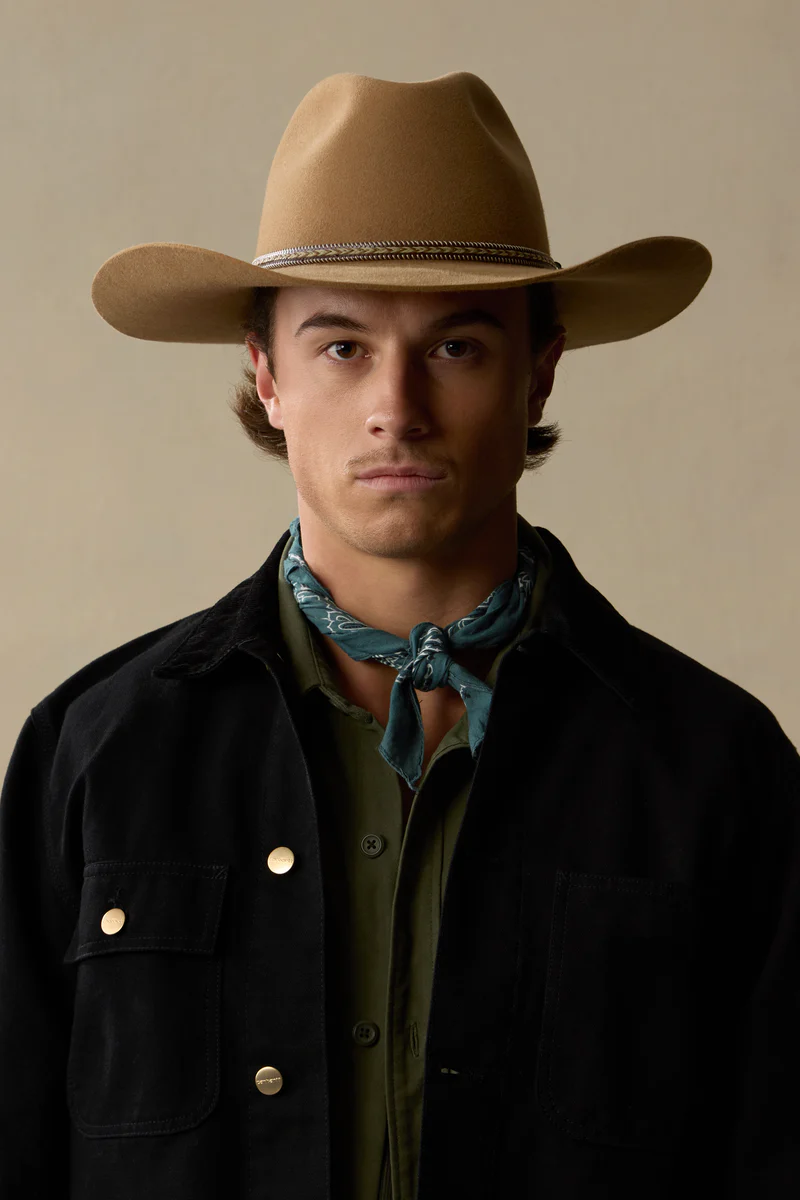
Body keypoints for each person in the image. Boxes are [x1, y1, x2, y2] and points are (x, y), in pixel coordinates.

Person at [1, 70, 798, 1200]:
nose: (396, 408)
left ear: (538, 374)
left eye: (457, 347)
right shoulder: (96, 750)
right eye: (340, 347)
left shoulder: (716, 767)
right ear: (266, 376)